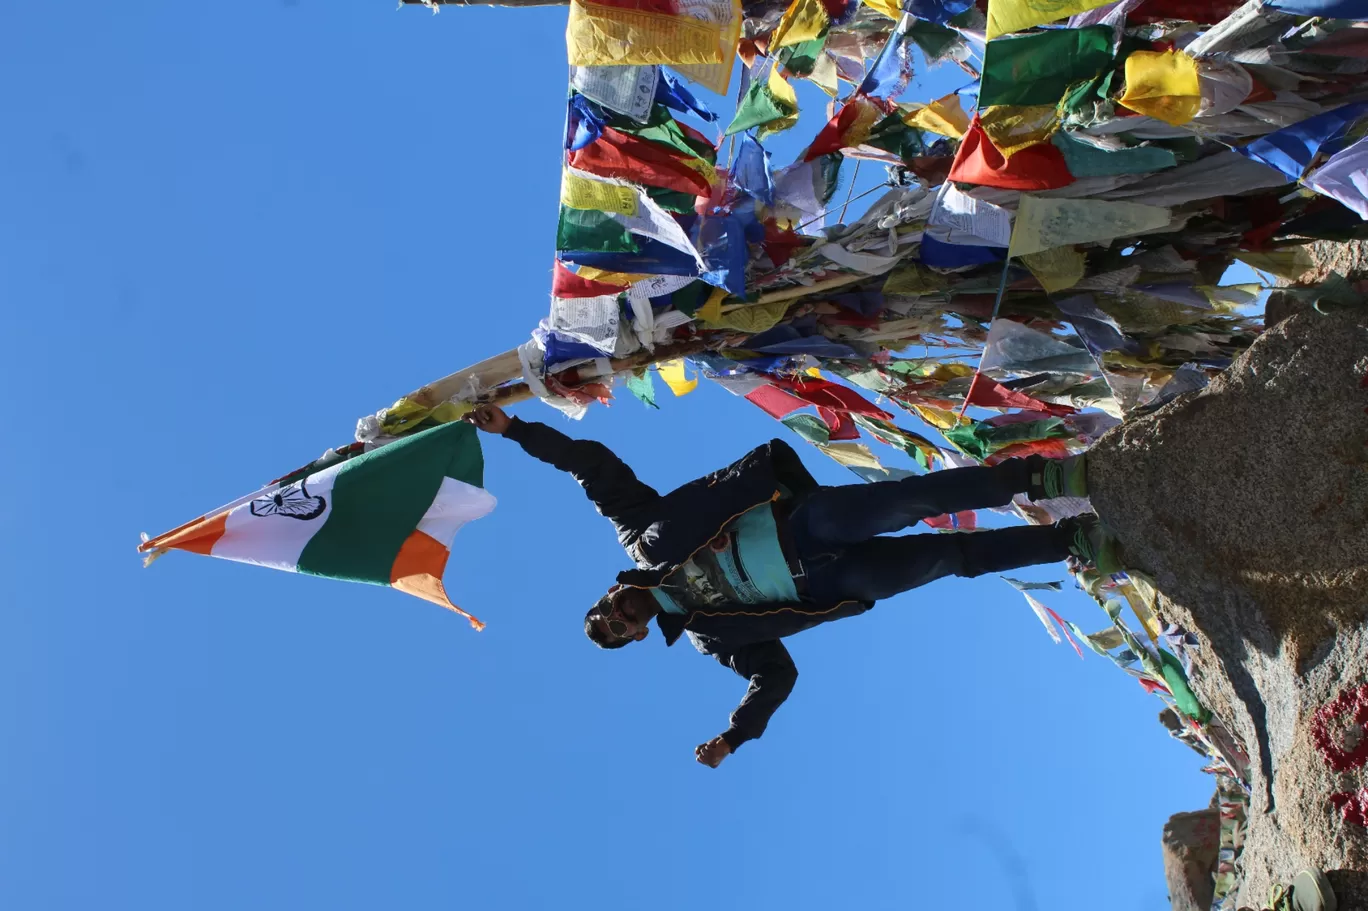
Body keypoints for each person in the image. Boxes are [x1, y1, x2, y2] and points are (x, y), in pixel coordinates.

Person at [469, 403, 1118, 768]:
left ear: (612, 593)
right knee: (952, 557)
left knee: (912, 498)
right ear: (638, 634)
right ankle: (1069, 541)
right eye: (616, 632)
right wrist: (736, 732)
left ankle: (1042, 479)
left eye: (604, 612)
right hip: (831, 582)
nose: (615, 619)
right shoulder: (708, 637)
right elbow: (775, 675)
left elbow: (593, 468)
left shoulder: (639, 534)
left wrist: (516, 430)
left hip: (801, 524)